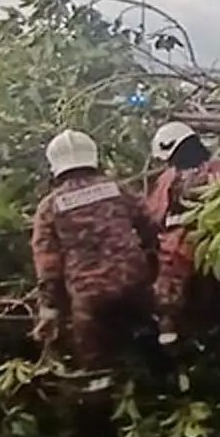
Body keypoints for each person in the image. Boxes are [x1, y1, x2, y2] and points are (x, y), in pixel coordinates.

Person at [31, 129, 158, 373]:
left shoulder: (49, 207)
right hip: (134, 284)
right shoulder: (118, 190)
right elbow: (149, 226)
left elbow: (48, 265)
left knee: (97, 364)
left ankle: (103, 391)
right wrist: (150, 267)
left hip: (90, 297)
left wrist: (49, 310)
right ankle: (166, 387)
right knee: (151, 350)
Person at [145, 121, 220, 344]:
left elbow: (153, 216)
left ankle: (170, 334)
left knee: (167, 296)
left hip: (181, 251)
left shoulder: (169, 178)